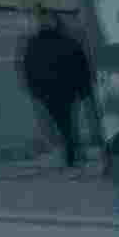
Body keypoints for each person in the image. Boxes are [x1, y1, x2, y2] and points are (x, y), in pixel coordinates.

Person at [19, 10, 95, 168]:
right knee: (67, 122)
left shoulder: (33, 45)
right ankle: (72, 152)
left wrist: (34, 89)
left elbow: (28, 69)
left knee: (62, 123)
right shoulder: (68, 42)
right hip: (67, 89)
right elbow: (81, 66)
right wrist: (84, 89)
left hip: (47, 91)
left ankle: (71, 152)